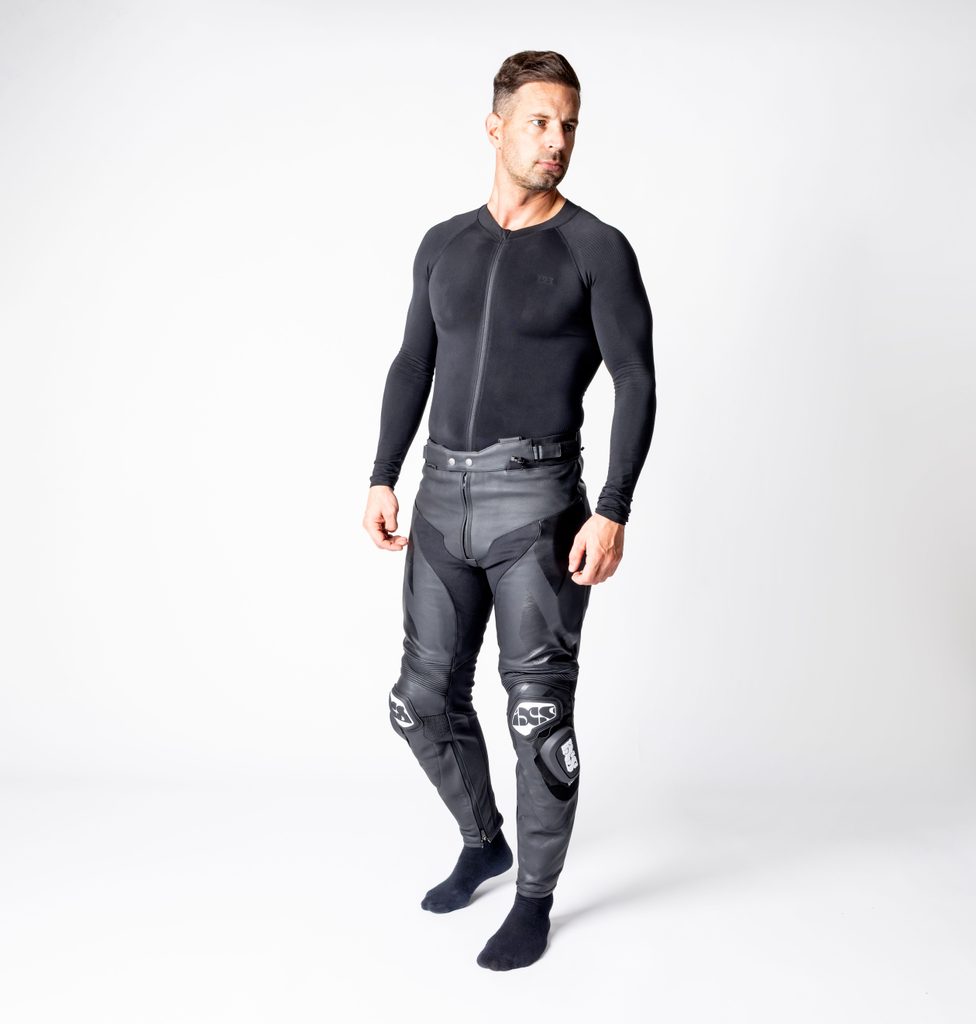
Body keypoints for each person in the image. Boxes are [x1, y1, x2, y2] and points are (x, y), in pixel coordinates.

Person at [363, 49, 657, 970]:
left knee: (537, 715)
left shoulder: (596, 248)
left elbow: (636, 379)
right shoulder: (444, 244)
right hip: (438, 497)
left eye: (569, 125)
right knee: (419, 701)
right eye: (539, 121)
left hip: (537, 503)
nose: (556, 140)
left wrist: (612, 508)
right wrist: (382, 473)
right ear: (495, 127)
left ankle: (534, 900)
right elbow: (414, 362)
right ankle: (482, 840)